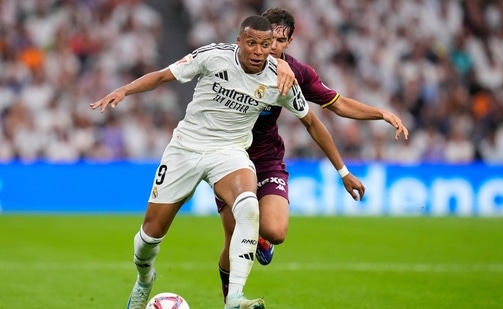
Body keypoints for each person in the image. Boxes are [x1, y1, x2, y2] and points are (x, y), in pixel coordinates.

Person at [90, 15, 365, 309]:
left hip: (230, 153)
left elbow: (312, 122)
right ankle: (145, 280)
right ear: (239, 42)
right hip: (185, 149)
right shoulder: (212, 57)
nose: (258, 51)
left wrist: (343, 171)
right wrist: (124, 90)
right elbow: (161, 76)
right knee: (150, 235)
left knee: (248, 203)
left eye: (265, 44)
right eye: (251, 43)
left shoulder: (280, 80)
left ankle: (234, 296)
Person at [216, 7, 410, 302]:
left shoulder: (298, 74)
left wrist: (379, 113)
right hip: (228, 156)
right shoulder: (234, 59)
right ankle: (230, 301)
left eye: (281, 41)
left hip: (266, 158)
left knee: (276, 231)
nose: (272, 47)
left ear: (289, 42)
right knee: (233, 238)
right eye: (269, 39)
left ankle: (263, 238)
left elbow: (336, 106)